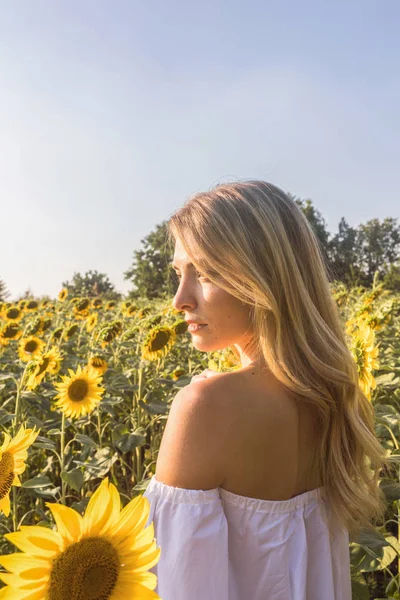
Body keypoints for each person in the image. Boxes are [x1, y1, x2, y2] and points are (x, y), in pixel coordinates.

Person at [143, 180, 388, 600]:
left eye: (204, 272)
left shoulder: (205, 407)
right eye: (178, 274)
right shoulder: (332, 398)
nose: (179, 300)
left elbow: (168, 585)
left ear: (262, 277)